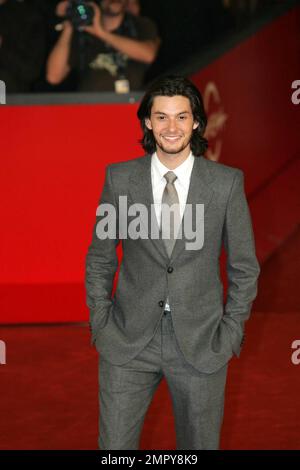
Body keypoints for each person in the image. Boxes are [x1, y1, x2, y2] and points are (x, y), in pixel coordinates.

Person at [85, 74, 260, 450]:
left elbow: (244, 266)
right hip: (127, 342)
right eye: (161, 117)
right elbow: (100, 258)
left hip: (201, 344)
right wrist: (101, 322)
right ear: (147, 122)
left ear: (197, 121)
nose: (171, 127)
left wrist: (229, 333)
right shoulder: (120, 179)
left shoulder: (226, 183)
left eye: (181, 117)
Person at [46, 0, 160, 92]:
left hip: (128, 108)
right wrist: (70, 23)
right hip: (90, 109)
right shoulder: (83, 33)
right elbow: (53, 76)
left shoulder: (138, 25)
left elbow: (148, 54)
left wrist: (101, 33)